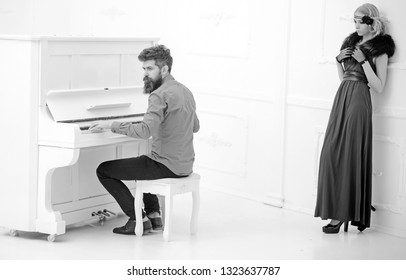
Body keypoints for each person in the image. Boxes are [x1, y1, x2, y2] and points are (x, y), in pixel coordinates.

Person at [89, 45, 200, 235]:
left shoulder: (159, 94)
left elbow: (145, 131)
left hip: (166, 165)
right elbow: (195, 127)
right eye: (144, 69)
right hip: (185, 165)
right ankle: (154, 214)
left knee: (104, 170)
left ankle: (137, 218)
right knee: (142, 161)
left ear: (164, 69)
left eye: (150, 69)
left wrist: (111, 125)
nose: (145, 74)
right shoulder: (185, 91)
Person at [314, 3, 395, 234]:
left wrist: (362, 61)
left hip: (360, 99)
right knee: (330, 153)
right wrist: (338, 61)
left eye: (360, 21)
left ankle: (342, 215)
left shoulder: (380, 48)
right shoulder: (350, 43)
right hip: (342, 98)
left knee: (350, 155)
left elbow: (378, 86)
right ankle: (337, 210)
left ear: (371, 23)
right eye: (355, 21)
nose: (356, 25)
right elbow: (344, 78)